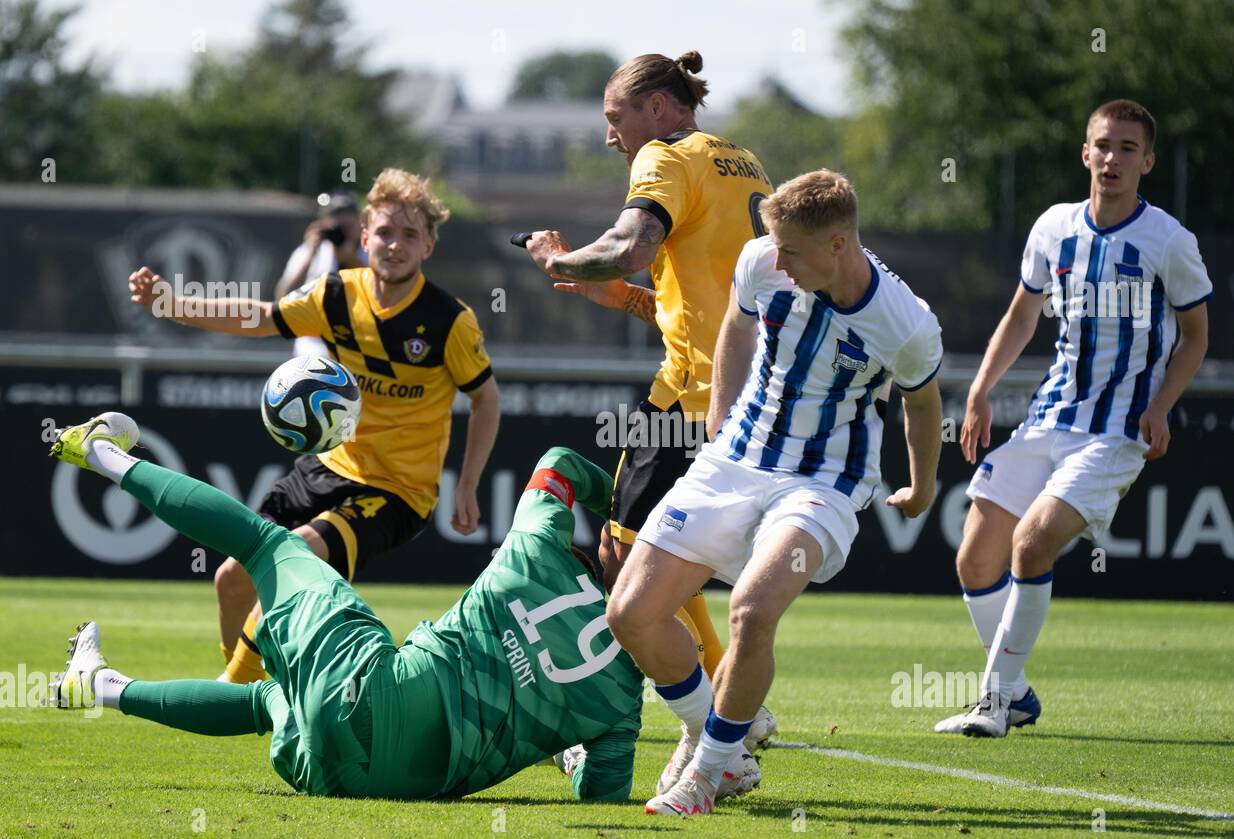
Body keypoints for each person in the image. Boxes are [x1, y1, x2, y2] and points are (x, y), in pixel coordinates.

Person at [45, 413, 742, 801]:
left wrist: (614, 507)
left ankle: (100, 453)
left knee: (265, 545)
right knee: (270, 704)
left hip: (367, 696)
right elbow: (600, 795)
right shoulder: (623, 705)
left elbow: (559, 459)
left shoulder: (541, 545)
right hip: (358, 779)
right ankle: (100, 685)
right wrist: (566, 748)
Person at [605, 170, 945, 815]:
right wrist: (720, 416)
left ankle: (704, 778)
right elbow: (737, 323)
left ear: (840, 244)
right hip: (734, 459)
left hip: (824, 482)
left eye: (791, 249)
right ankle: (724, 747)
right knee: (631, 613)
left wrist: (923, 487)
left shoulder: (905, 323)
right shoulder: (764, 258)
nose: (775, 258)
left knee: (753, 612)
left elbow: (923, 405)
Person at [127, 168, 501, 685]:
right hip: (327, 466)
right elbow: (260, 316)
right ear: (364, 237)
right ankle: (252, 684)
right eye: (386, 233)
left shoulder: (449, 321)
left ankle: (232, 694)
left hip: (397, 492)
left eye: (410, 235)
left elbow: (485, 399)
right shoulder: (335, 295)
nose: (395, 245)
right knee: (233, 578)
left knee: (291, 558)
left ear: (429, 246)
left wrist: (467, 483)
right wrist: (172, 304)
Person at [523, 50, 777, 773]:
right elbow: (696, 302)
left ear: (660, 108)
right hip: (727, 389)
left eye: (616, 118)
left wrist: (559, 264)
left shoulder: (663, 157)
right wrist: (622, 298)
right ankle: (732, 714)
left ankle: (719, 736)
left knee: (633, 569)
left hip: (702, 399)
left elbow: (633, 246)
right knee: (629, 553)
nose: (611, 137)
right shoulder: (744, 161)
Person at [937, 99, 1211, 738]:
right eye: (1102, 145)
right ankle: (1017, 694)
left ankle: (995, 702)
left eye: (1126, 148)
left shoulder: (1168, 240)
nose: (1112, 158)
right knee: (976, 560)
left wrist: (1161, 406)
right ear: (1084, 153)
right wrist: (979, 390)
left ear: (1148, 161)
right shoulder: (1053, 227)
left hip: (1116, 432)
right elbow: (1022, 315)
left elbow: (1196, 335)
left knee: (1031, 544)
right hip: (1047, 419)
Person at [274, 191, 368, 361]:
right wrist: (311, 253)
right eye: (335, 215)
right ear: (322, 221)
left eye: (348, 215)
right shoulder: (309, 252)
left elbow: (377, 291)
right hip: (314, 344)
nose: (341, 221)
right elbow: (282, 296)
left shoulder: (370, 252)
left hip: (360, 345)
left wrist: (348, 256)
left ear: (359, 221)